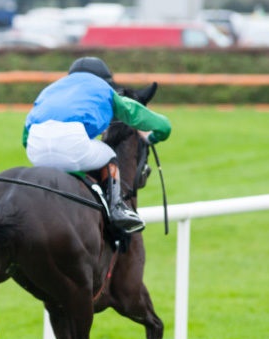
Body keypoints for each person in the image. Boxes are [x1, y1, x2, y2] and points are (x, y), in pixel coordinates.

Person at [22, 56, 172, 234]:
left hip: (35, 148)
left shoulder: (50, 90)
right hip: (72, 145)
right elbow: (162, 125)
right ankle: (117, 208)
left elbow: (25, 138)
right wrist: (153, 137)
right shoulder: (104, 89)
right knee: (109, 154)